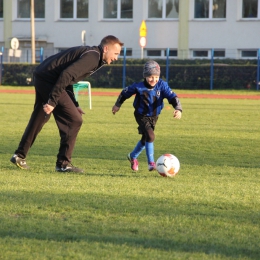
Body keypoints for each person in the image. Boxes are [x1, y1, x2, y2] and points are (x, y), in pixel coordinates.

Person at [10, 35, 124, 173]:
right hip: (49, 80)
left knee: (40, 117)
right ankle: (63, 164)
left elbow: (69, 79)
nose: (117, 57)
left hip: (43, 75)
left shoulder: (95, 55)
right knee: (75, 120)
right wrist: (52, 101)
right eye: (116, 53)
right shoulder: (93, 57)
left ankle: (19, 155)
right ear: (106, 48)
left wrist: (74, 104)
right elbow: (66, 75)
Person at [112, 60, 182, 171]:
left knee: (146, 139)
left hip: (154, 116)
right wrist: (117, 105)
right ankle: (151, 163)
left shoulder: (162, 85)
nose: (153, 79)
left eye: (156, 77)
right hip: (141, 115)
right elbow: (124, 93)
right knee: (151, 136)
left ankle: (133, 156)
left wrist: (178, 109)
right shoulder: (138, 86)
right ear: (145, 76)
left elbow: (172, 97)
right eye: (150, 77)